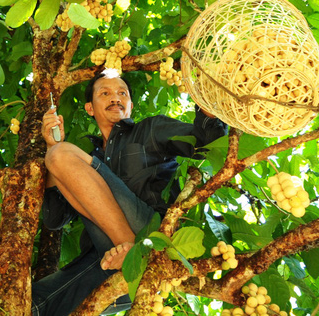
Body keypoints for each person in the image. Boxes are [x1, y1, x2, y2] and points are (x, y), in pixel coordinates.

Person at [31, 69, 227, 316]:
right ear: (89, 108)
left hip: (150, 233)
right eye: (105, 93)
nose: (115, 98)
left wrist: (206, 96)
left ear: (131, 105)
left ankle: (134, 251)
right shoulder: (88, 162)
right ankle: (130, 256)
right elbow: (54, 219)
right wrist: (51, 146)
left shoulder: (151, 129)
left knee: (61, 154)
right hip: (106, 260)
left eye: (122, 93)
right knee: (35, 304)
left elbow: (209, 146)